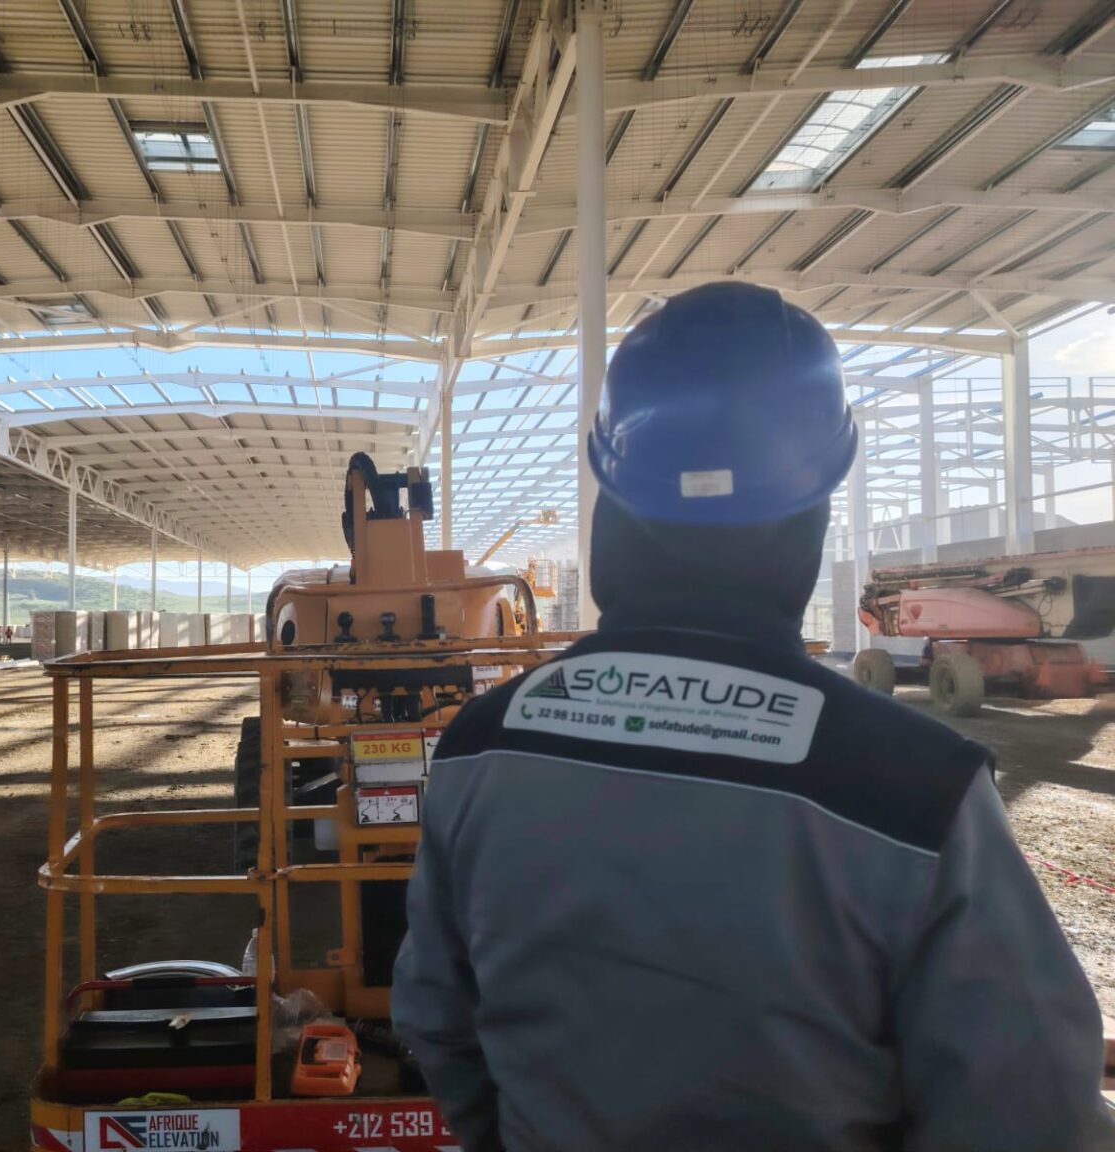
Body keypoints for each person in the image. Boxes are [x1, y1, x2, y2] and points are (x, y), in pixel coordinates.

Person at [393, 282, 1114, 1152]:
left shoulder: (479, 747)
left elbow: (437, 1022)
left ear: (612, 490)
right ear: (814, 506)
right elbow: (1031, 1112)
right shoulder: (915, 787)